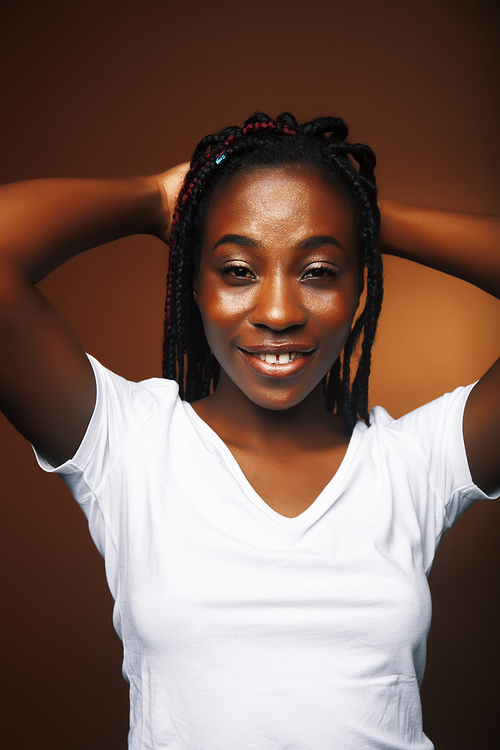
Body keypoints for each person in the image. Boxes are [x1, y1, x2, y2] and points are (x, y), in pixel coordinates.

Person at [0, 111, 498, 749]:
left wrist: (363, 216)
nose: (279, 312)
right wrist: (152, 198)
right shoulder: (129, 446)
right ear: (195, 285)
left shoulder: (413, 464)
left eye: (319, 270)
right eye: (238, 270)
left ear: (359, 288)